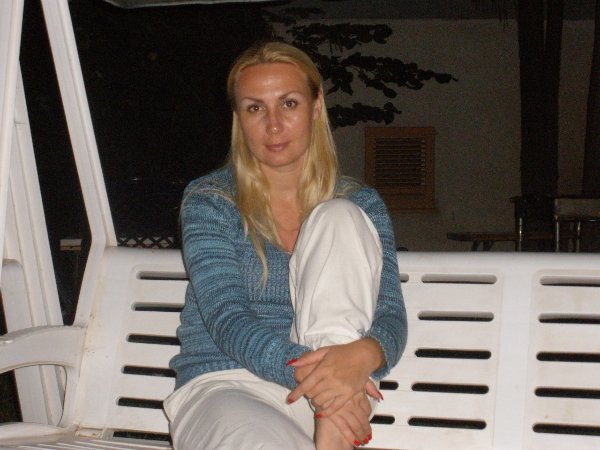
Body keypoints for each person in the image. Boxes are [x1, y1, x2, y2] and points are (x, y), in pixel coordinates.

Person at [164, 41, 407, 450]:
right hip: (228, 383)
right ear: (238, 118)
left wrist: (364, 354)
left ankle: (331, 420)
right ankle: (333, 419)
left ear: (316, 106)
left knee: (339, 214)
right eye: (255, 108)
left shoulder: (362, 203)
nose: (273, 125)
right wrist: (320, 379)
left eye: (289, 104)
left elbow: (390, 315)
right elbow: (227, 317)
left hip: (337, 386)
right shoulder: (212, 200)